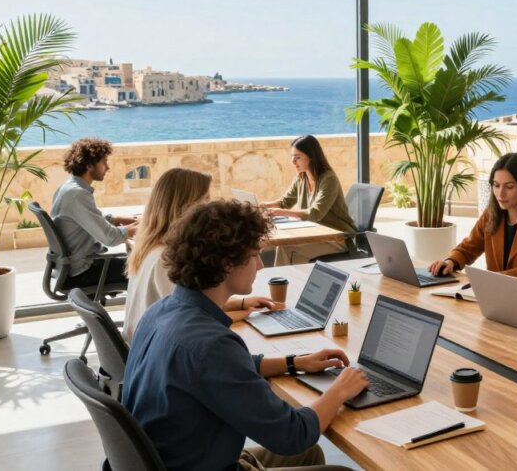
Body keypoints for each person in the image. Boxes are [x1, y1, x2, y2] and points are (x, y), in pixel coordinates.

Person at [123, 200, 368, 471]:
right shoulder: (212, 345)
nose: (260, 266)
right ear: (227, 264)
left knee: (309, 456)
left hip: (172, 460)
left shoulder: (160, 311)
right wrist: (340, 390)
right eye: (254, 254)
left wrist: (294, 362)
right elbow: (292, 434)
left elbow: (223, 370)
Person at [122, 168, 275, 342]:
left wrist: (239, 304)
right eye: (205, 201)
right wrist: (246, 315)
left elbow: (193, 302)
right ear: (186, 206)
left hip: (146, 346)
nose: (209, 209)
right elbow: (189, 317)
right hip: (161, 348)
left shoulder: (149, 247)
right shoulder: (166, 259)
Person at [428, 153, 517, 291]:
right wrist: (450, 262)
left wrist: (490, 280)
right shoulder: (491, 214)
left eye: (509, 187)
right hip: (496, 292)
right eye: (496, 185)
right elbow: (469, 248)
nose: (500, 194)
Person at [51, 137, 138, 289]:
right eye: (104, 162)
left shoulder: (69, 187)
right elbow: (110, 238)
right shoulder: (77, 194)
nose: (108, 167)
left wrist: (120, 219)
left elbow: (90, 217)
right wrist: (143, 227)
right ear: (89, 166)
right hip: (83, 273)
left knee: (140, 263)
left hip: (74, 268)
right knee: (146, 269)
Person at [262, 135, 356, 265]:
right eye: (292, 157)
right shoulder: (301, 178)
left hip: (338, 238)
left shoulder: (328, 179)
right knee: (294, 257)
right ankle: (292, 283)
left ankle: (278, 284)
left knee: (286, 247)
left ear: (311, 156)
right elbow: (284, 202)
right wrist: (261, 205)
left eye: (298, 157)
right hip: (316, 234)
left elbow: (315, 213)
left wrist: (280, 212)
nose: (293, 162)